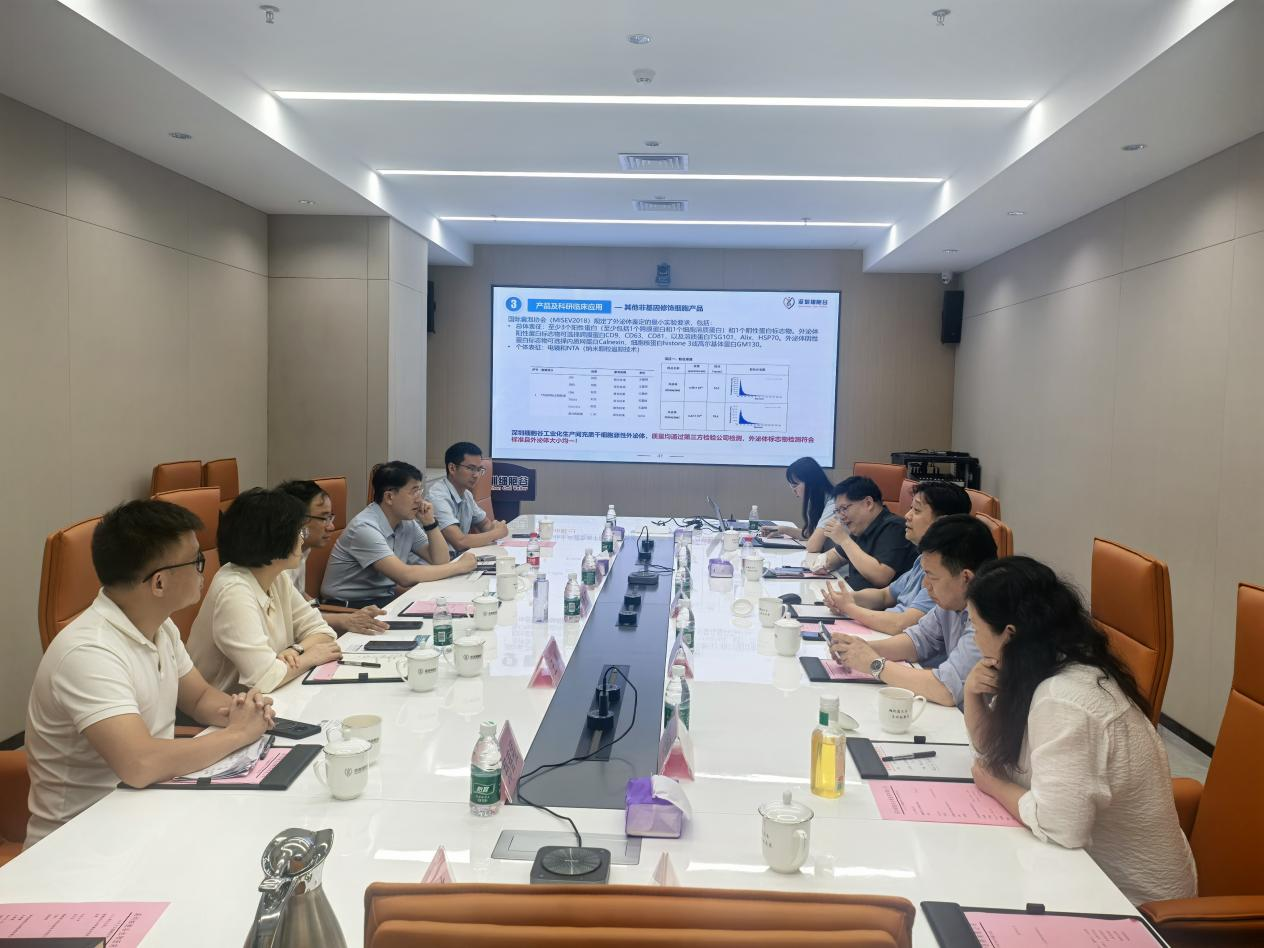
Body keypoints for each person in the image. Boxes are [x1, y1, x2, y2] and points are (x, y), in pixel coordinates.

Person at [25, 500, 275, 847]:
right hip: (81, 840)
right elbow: (140, 763)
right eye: (197, 561)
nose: (204, 570)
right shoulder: (89, 652)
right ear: (159, 583)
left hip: (148, 811)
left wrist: (244, 711)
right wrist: (237, 734)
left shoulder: (160, 626)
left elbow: (200, 698)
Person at [963, 556, 1196, 905]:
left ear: (1009, 634)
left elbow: (1061, 827)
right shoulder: (1041, 665)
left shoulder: (1065, 697)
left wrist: (995, 785)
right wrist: (972, 694)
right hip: (1084, 875)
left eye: (975, 626)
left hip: (1135, 904)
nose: (975, 639)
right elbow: (994, 751)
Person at [830, 514, 996, 706]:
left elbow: (946, 690)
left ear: (965, 578)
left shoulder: (990, 617)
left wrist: (874, 664)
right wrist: (861, 649)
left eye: (932, 577)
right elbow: (918, 640)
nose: (925, 585)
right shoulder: (952, 601)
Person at [188, 488, 342, 693]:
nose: (302, 539)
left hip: (267, 697)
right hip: (223, 707)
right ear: (274, 538)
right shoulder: (233, 591)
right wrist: (311, 657)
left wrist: (295, 649)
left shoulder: (277, 576)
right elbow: (265, 677)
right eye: (298, 532)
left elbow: (323, 632)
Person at [822, 480, 972, 634]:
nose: (907, 515)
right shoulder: (921, 559)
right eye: (910, 508)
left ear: (942, 522)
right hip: (883, 630)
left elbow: (901, 624)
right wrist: (846, 599)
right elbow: (885, 595)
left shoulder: (946, 573)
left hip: (894, 635)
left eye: (917, 510)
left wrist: (850, 608)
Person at [322, 460, 475, 608]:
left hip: (381, 600)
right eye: (414, 492)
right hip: (349, 608)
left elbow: (441, 561)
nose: (420, 500)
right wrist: (459, 566)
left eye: (420, 491)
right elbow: (405, 576)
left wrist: (430, 523)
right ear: (389, 497)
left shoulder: (406, 522)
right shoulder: (364, 528)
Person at [277, 479, 389, 636]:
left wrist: (349, 615)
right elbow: (286, 618)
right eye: (324, 518)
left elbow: (299, 596)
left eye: (330, 517)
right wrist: (344, 619)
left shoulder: (302, 548)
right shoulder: (276, 561)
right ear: (297, 519)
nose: (331, 527)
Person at [817, 476, 917, 590]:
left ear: (868, 503)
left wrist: (844, 540)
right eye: (837, 511)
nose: (841, 516)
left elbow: (881, 577)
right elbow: (838, 557)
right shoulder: (860, 527)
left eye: (844, 508)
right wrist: (821, 563)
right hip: (852, 595)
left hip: (876, 601)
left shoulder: (895, 527)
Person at [428, 441, 509, 553]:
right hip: (436, 562)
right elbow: (459, 542)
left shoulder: (467, 494)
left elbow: (484, 523)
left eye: (479, 469)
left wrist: (495, 527)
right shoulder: (437, 497)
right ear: (452, 468)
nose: (476, 475)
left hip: (458, 558)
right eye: (471, 468)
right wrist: (496, 533)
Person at [760, 457, 834, 552]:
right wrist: (782, 530)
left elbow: (813, 546)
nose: (794, 491)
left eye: (795, 486)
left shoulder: (833, 503)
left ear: (811, 482)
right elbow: (811, 534)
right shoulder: (815, 500)